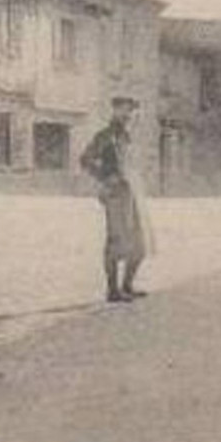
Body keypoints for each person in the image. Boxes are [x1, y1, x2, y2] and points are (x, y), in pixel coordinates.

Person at [80, 96, 151, 303]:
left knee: (139, 245)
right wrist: (105, 177)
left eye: (130, 111)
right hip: (115, 194)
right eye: (123, 110)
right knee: (116, 240)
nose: (127, 115)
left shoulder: (129, 137)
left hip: (133, 192)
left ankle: (127, 285)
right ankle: (112, 290)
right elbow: (85, 159)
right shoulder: (105, 135)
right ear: (114, 110)